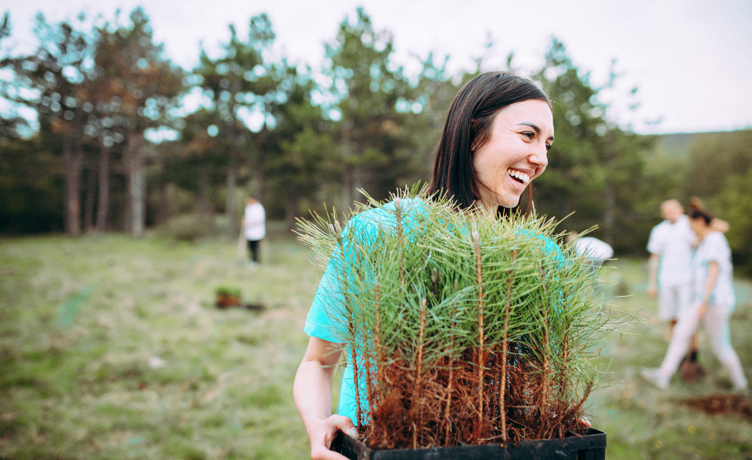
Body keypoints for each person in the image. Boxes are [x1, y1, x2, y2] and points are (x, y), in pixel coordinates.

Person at [293, 72, 568, 460]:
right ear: (473, 134)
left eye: (547, 144)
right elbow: (318, 363)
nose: (540, 158)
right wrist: (318, 428)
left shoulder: (541, 259)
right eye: (528, 135)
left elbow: (538, 385)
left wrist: (555, 422)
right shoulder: (378, 234)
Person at [640, 205, 748, 394]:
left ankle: (741, 385)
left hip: (714, 302)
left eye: (691, 223)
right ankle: (663, 375)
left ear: (699, 222)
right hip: (701, 301)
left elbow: (714, 271)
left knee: (720, 346)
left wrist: (704, 302)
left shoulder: (715, 240)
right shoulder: (705, 240)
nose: (689, 227)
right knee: (681, 333)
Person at [242, 197, 265, 266]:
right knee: (249, 246)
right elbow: (247, 217)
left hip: (257, 231)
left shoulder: (259, 208)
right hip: (249, 231)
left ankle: (256, 261)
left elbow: (259, 219)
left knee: (255, 247)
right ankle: (251, 259)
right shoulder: (248, 207)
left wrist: (249, 222)